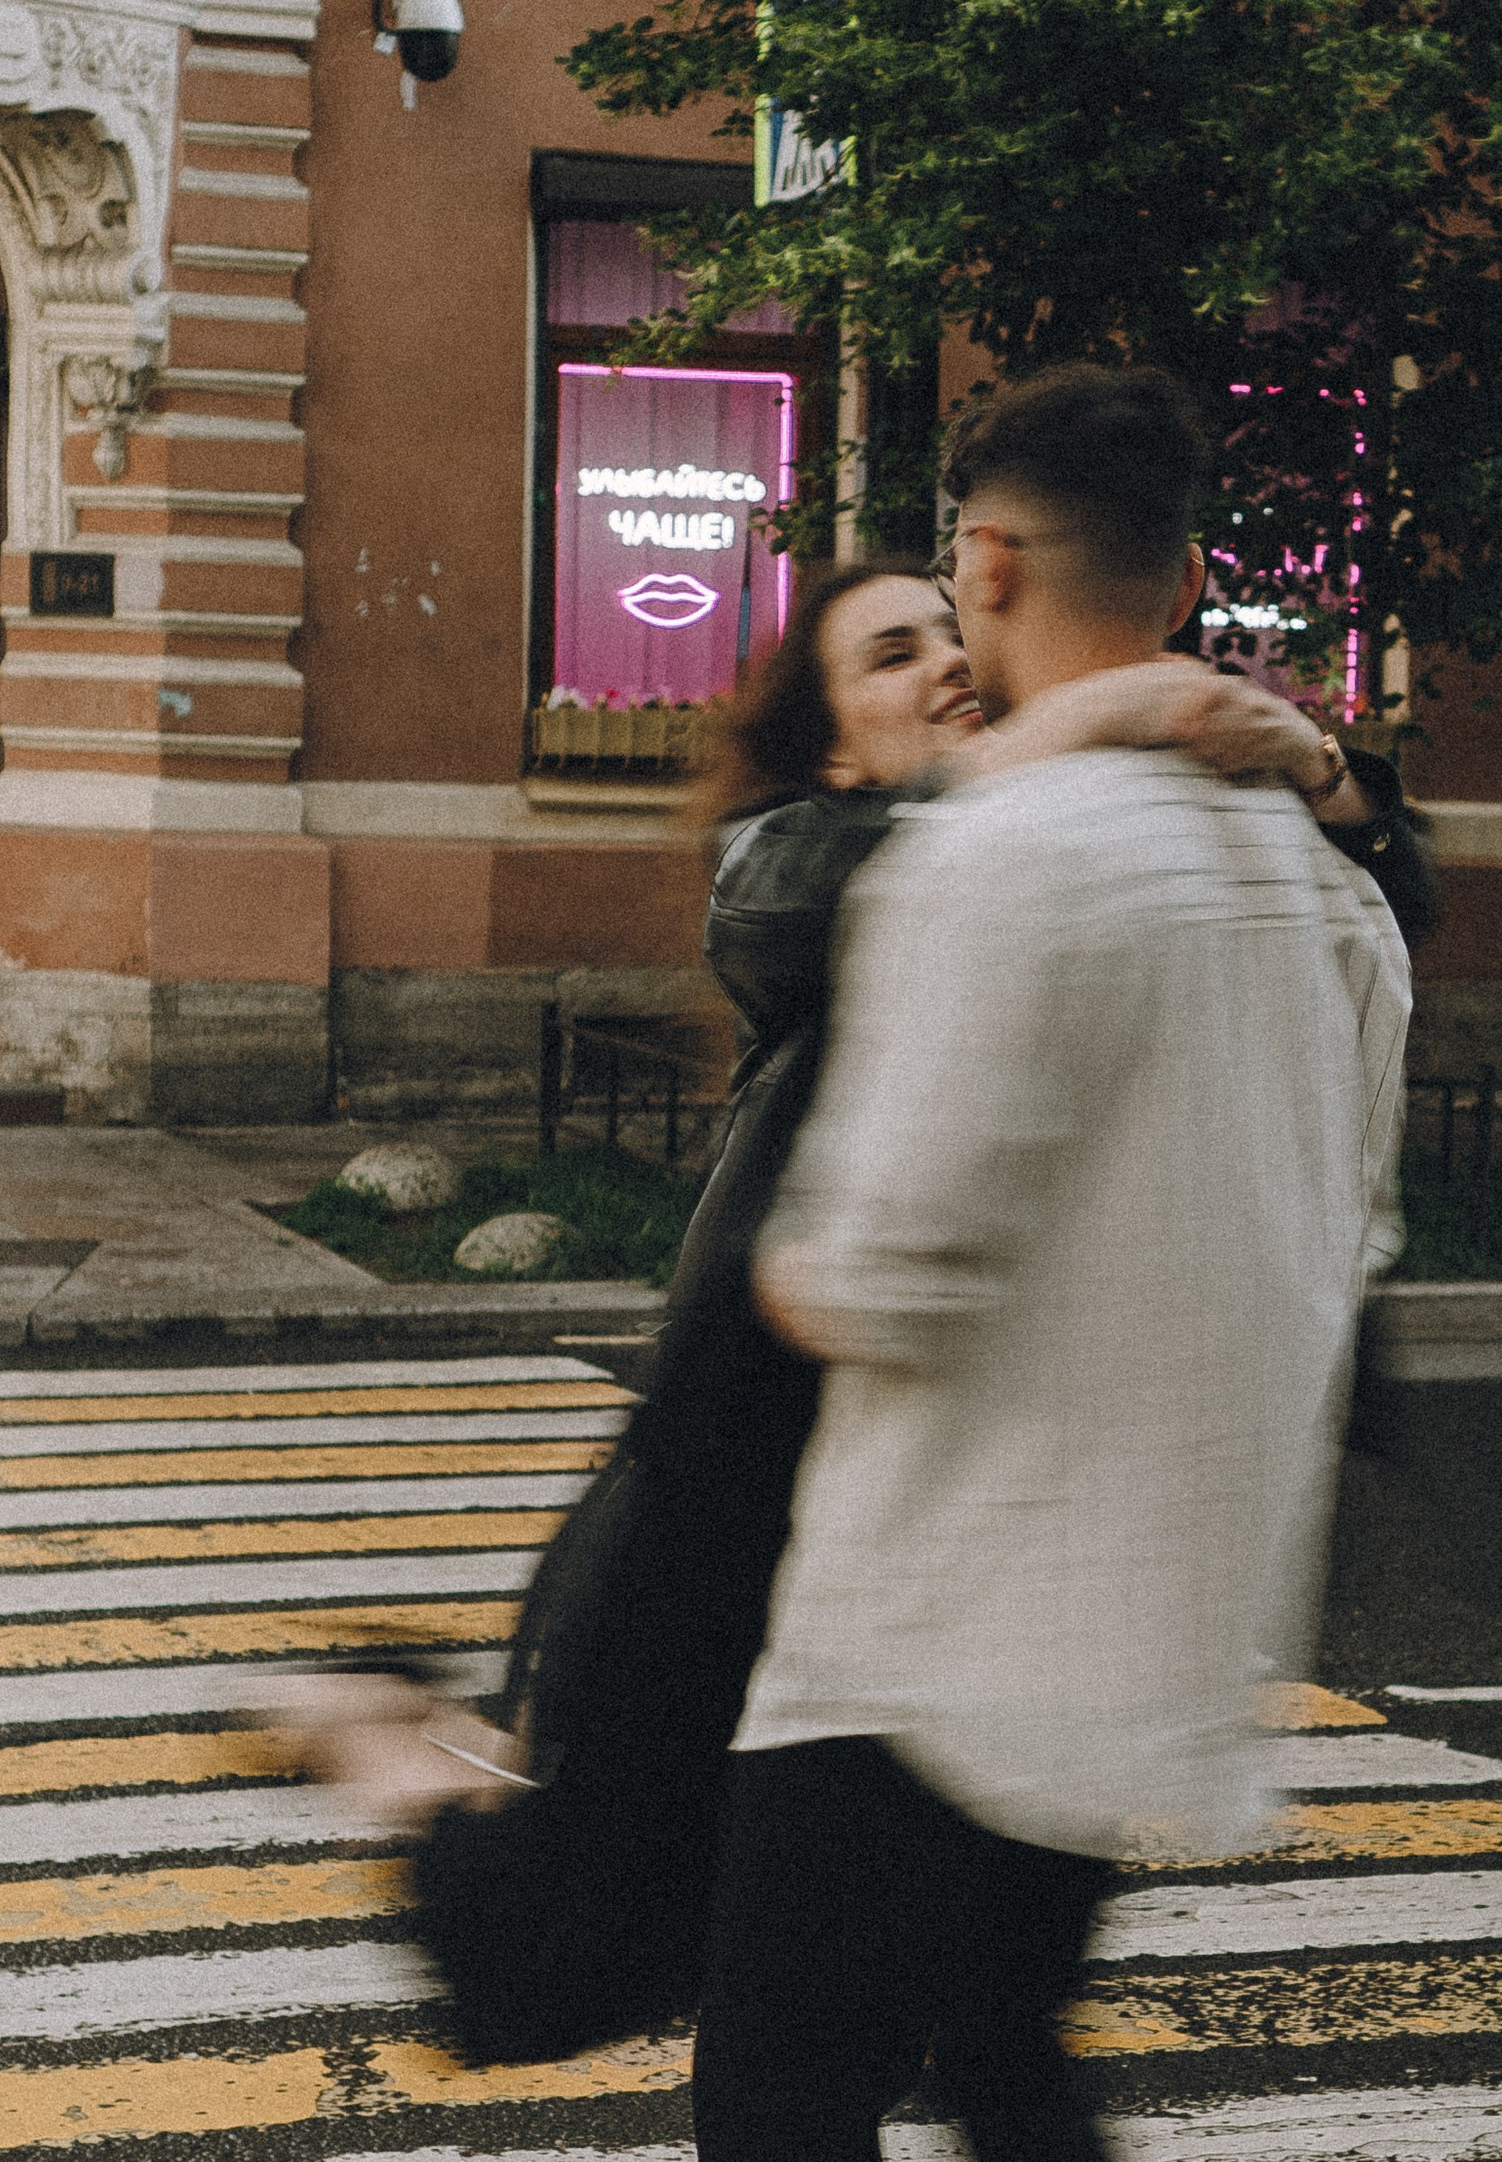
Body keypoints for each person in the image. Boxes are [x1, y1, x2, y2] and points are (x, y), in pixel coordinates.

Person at [605, 363, 1410, 2162]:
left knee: (773, 2103)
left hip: (923, 1633)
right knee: (1014, 2074)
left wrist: (802, 1279)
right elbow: (1343, 1234)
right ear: (1181, 569)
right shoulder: (1324, 898)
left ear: (991, 569)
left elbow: (882, 1273)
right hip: (1163, 1620)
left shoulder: (1018, 864)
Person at [284, 557, 1430, 2051]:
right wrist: (1085, 724)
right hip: (734, 1478)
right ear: (831, 744)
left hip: (935, 1521)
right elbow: (788, 882)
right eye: (892, 656)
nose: (946, 665)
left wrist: (1318, 764)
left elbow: (1362, 911)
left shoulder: (1050, 845)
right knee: (556, 1956)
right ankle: (378, 1739)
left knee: (958, 2021)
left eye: (956, 636)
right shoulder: (810, 865)